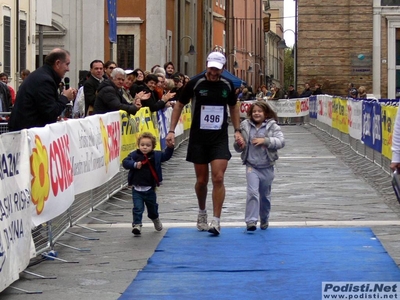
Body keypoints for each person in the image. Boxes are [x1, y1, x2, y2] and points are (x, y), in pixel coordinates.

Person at [166, 51, 243, 236]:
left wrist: (237, 130)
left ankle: (216, 220)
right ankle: (202, 211)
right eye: (211, 68)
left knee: (218, 177)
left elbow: (233, 106)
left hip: (219, 137)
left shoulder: (227, 85)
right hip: (199, 137)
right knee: (201, 181)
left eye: (217, 69)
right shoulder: (195, 83)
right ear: (207, 65)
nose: (213, 72)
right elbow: (179, 104)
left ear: (223, 68)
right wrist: (171, 130)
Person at [233, 101, 285, 231]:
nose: (257, 113)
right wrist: (239, 144)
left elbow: (281, 141)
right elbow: (238, 147)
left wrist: (266, 141)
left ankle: (264, 217)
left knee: (265, 196)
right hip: (252, 166)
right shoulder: (244, 126)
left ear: (265, 113)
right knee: (252, 192)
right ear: (250, 113)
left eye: (259, 111)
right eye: (254, 111)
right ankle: (251, 221)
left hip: (267, 166)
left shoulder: (272, 126)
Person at [8, 48, 77, 131]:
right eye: (67, 64)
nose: (68, 69)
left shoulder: (41, 75)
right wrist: (65, 97)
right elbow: (50, 113)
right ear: (58, 63)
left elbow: (44, 107)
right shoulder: (44, 81)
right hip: (29, 134)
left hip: (27, 130)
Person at [122, 132, 174, 236]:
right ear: (138, 145)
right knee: (138, 208)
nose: (145, 147)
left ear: (153, 146)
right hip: (137, 189)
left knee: (152, 208)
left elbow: (166, 156)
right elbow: (125, 162)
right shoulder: (134, 155)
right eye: (142, 145)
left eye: (148, 145)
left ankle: (155, 218)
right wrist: (134, 165)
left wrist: (170, 148)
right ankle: (137, 224)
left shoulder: (156, 155)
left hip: (150, 189)